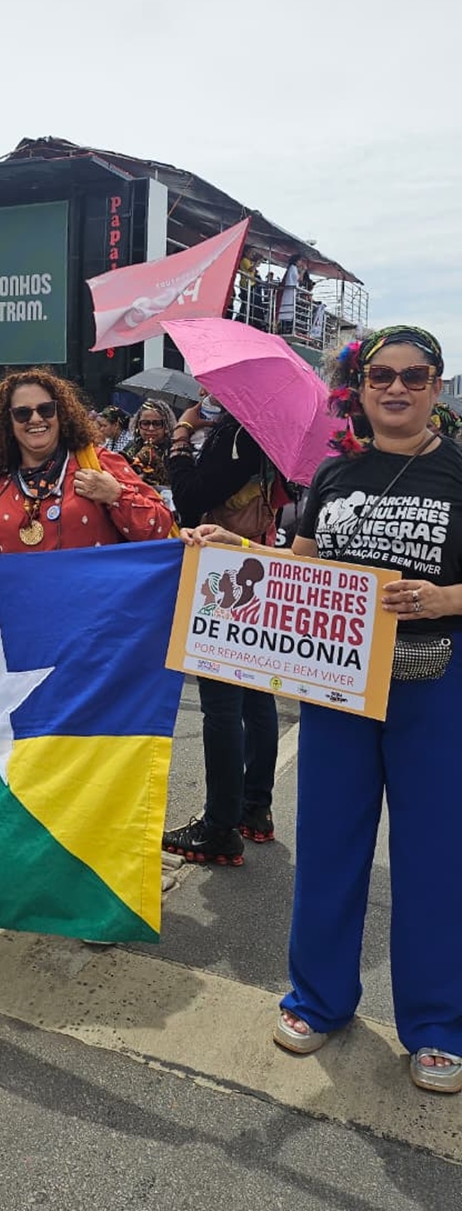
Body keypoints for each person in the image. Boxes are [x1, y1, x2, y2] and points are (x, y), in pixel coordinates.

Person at [184, 325, 462, 1095]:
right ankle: (320, 1000)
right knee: (331, 847)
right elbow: (301, 571)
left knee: (435, 858)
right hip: (337, 687)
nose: (397, 388)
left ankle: (437, 1026)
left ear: (437, 385)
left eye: (415, 375)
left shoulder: (458, 471)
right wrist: (232, 552)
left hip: (435, 682)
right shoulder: (333, 475)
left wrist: (445, 597)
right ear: (361, 386)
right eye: (382, 375)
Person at [162, 401, 286, 865]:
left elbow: (191, 496)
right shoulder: (260, 427)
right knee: (255, 695)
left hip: (225, 571)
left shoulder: (239, 434)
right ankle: (254, 809)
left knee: (222, 701)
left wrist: (180, 436)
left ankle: (219, 826)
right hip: (254, 562)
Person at [0, 368, 173, 561]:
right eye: (22, 413)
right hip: (23, 619)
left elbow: (160, 527)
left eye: (45, 409)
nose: (36, 418)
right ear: (8, 423)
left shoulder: (99, 463)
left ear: (61, 414)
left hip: (96, 619)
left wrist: (116, 495)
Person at [122, 398, 176, 495]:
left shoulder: (175, 450)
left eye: (157, 424)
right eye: (145, 423)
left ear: (166, 426)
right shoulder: (130, 448)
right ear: (138, 426)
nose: (151, 429)